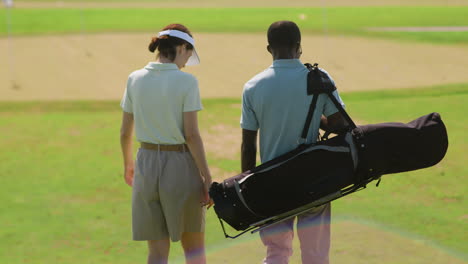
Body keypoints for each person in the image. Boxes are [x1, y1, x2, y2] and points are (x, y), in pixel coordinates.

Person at [240, 21, 347, 264]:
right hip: (314, 180)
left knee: (276, 254)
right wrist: (315, 115)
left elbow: (248, 145)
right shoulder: (318, 78)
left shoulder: (253, 86)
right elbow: (340, 126)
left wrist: (248, 185)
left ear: (269, 49)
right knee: (316, 255)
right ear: (299, 47)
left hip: (271, 181)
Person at [120, 23, 212, 264]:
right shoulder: (187, 83)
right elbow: (191, 135)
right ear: (181, 47)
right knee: (194, 252)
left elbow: (124, 133)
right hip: (179, 166)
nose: (187, 60)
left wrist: (128, 164)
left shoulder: (134, 78)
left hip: (145, 165)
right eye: (189, 53)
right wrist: (207, 178)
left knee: (157, 254)